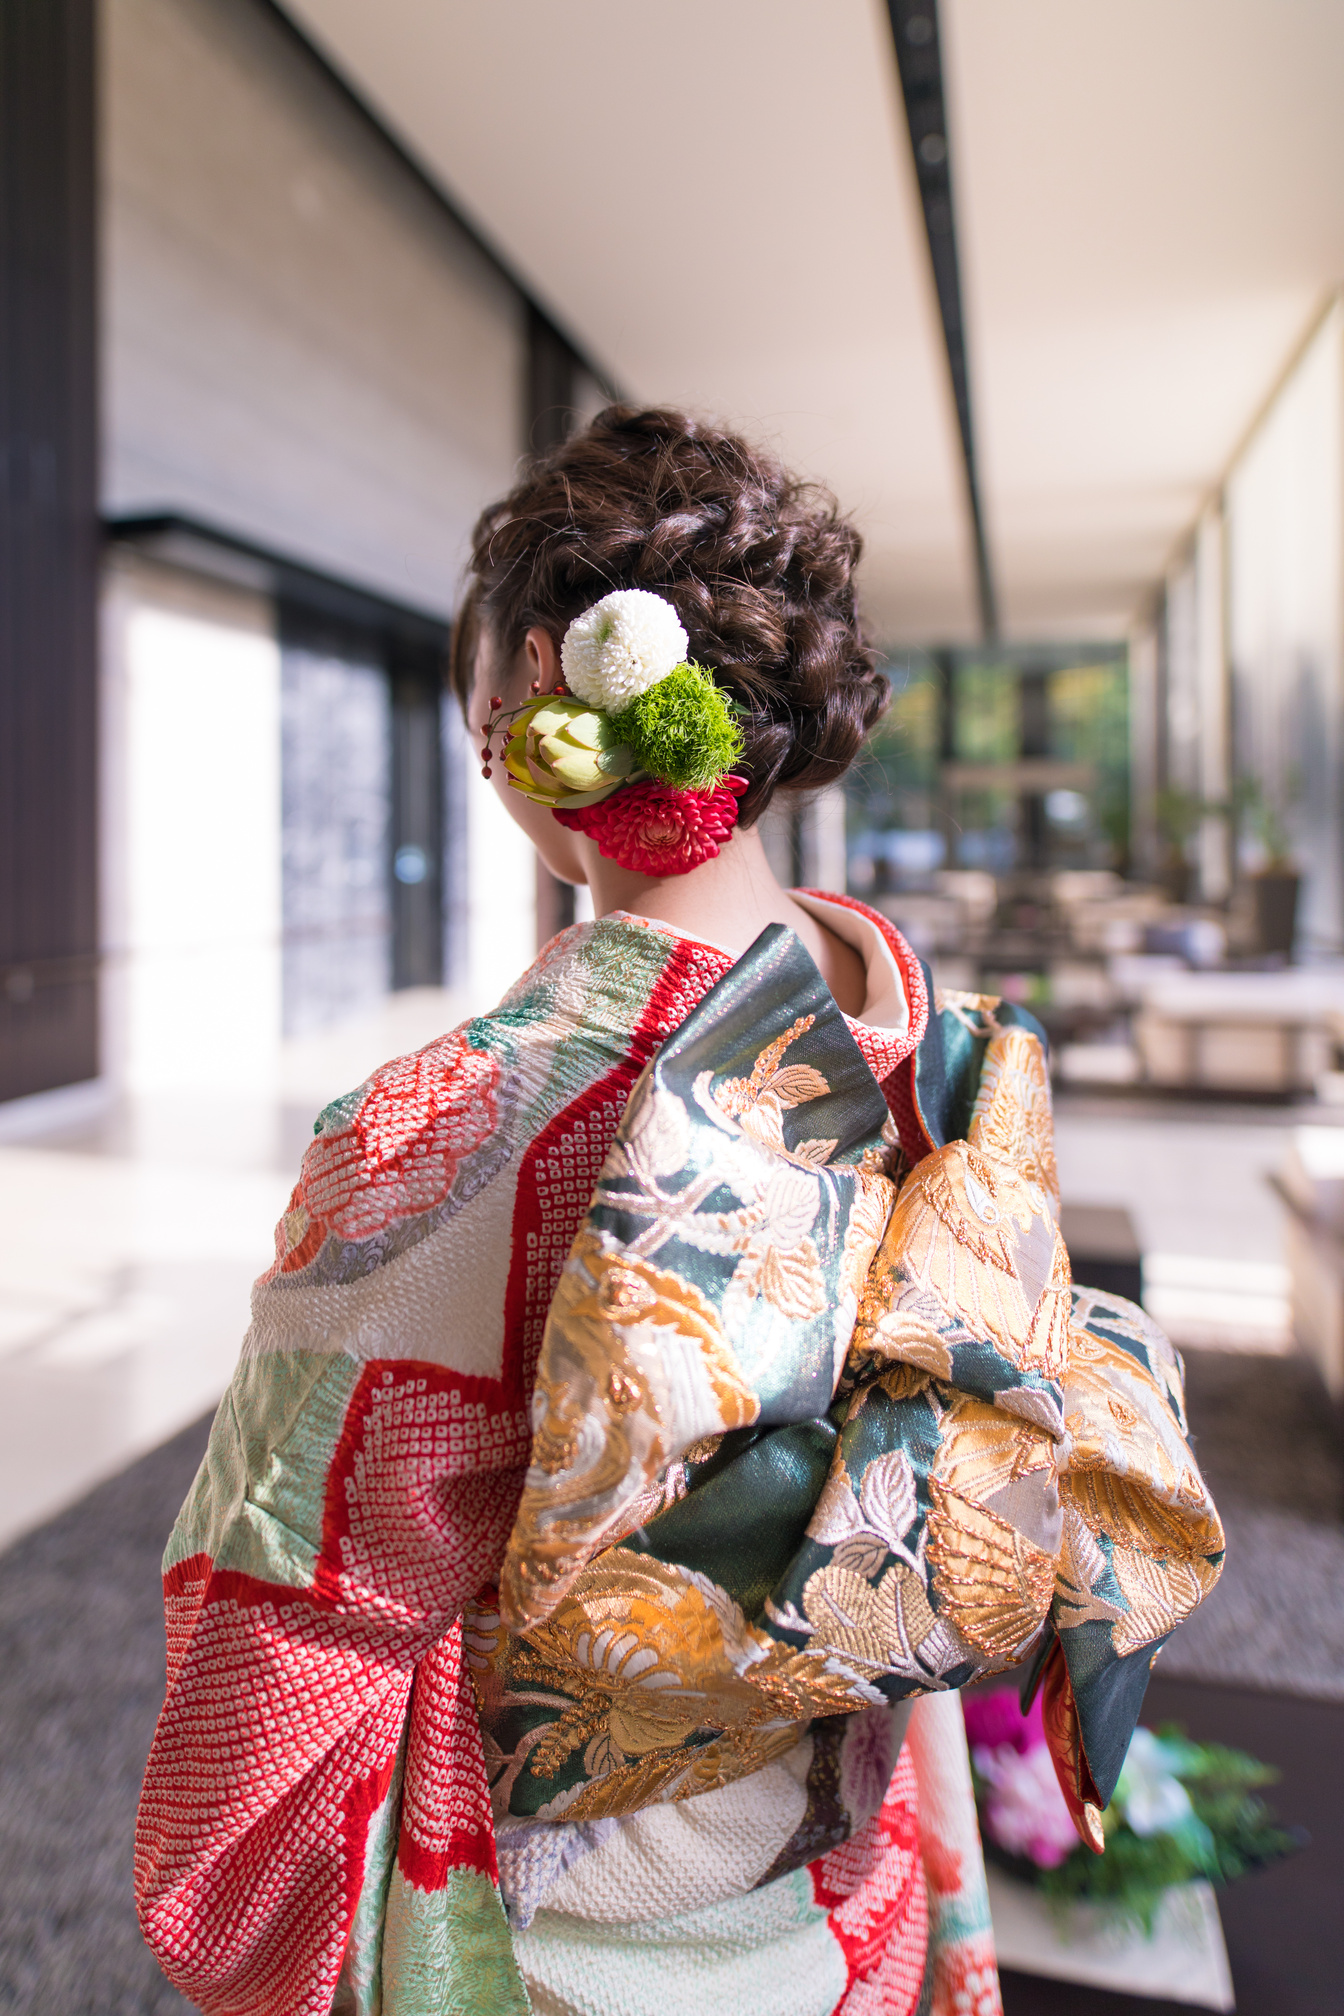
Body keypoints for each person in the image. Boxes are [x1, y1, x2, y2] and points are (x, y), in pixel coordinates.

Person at [135, 408, 1222, 2016]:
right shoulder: (940, 1046)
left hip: (571, 1948)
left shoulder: (457, 1126)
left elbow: (287, 1602)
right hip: (843, 1883)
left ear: (521, 683)